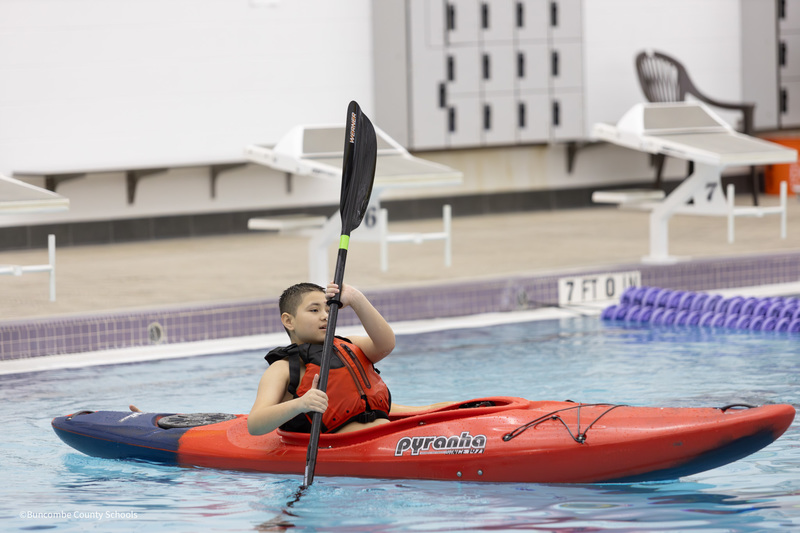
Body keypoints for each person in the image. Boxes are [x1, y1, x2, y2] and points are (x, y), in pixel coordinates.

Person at [247, 281, 400, 436]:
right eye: (314, 310)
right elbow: (255, 425)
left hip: (387, 436)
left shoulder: (351, 344)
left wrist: (355, 298)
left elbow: (386, 344)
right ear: (289, 321)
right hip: (343, 446)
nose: (325, 316)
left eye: (328, 310)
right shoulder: (284, 368)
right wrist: (300, 404)